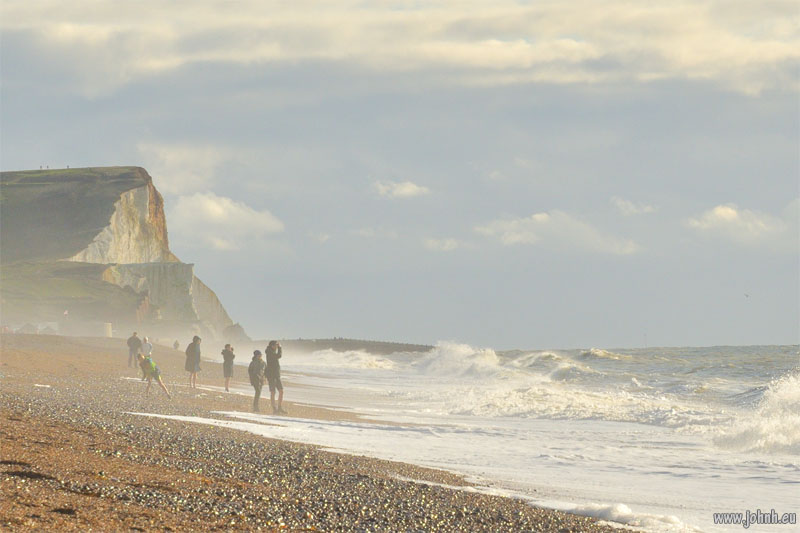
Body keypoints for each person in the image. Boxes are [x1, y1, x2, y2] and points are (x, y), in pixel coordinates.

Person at [265, 340, 286, 414]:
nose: (277, 346)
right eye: (276, 345)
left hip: (276, 375)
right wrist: (280, 348)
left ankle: (279, 407)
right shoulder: (269, 352)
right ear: (272, 346)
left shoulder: (271, 351)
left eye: (277, 345)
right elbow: (279, 356)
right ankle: (274, 408)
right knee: (273, 392)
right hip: (271, 375)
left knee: (281, 391)